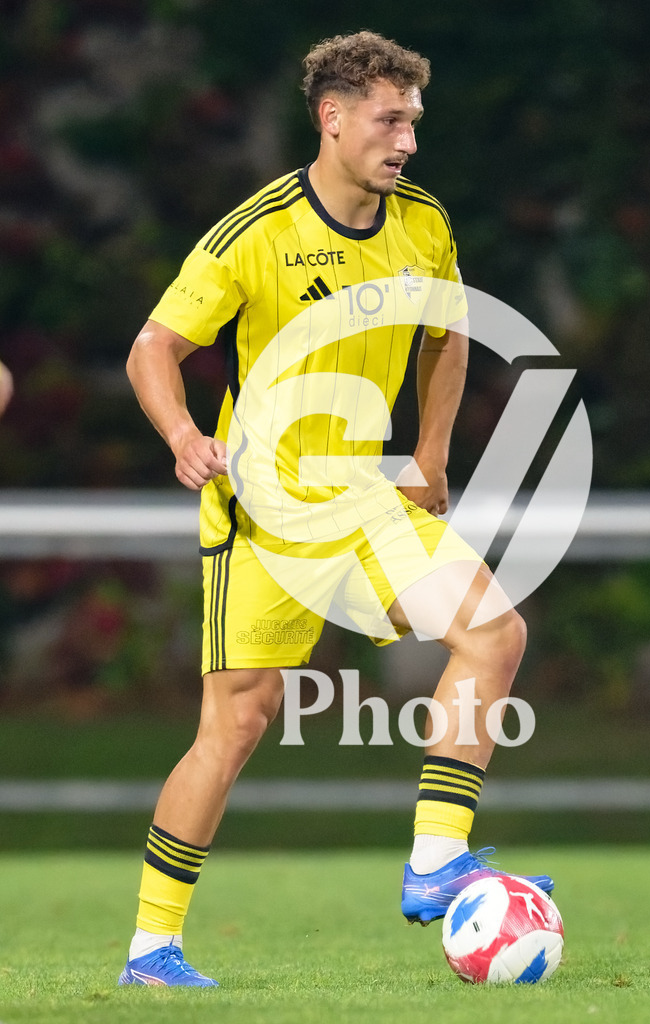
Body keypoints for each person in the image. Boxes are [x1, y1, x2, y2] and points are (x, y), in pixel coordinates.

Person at [119, 30, 553, 988]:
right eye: (390, 120)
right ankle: (151, 949)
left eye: (414, 122)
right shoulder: (256, 234)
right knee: (237, 724)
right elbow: (153, 349)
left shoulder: (422, 221)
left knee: (492, 631)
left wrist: (431, 454)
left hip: (363, 493)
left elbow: (446, 335)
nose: (407, 141)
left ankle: (435, 859)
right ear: (332, 117)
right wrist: (184, 436)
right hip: (264, 511)